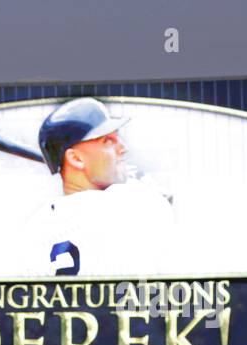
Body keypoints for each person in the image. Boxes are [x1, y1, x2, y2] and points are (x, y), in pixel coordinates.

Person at [23, 97, 176, 277]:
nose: (122, 148)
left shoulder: (36, 226)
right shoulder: (132, 204)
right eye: (108, 141)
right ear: (76, 158)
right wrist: (149, 188)